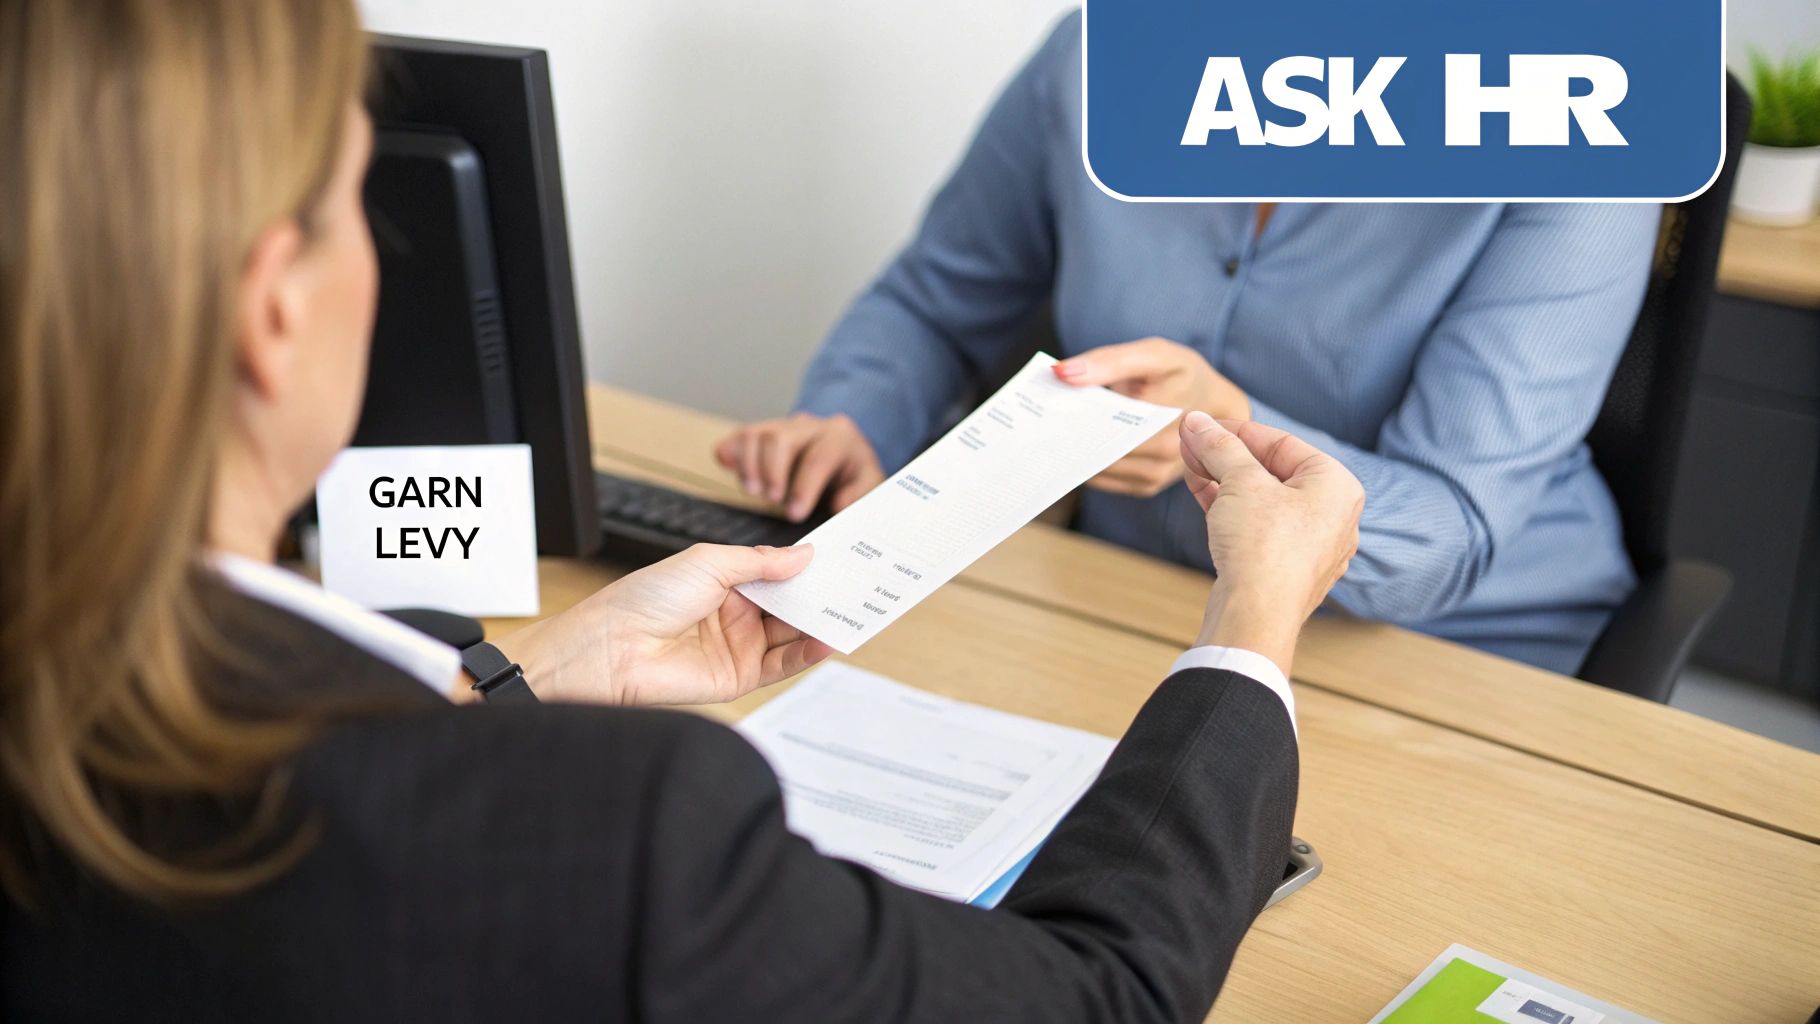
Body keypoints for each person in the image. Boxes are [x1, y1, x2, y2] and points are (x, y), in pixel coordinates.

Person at [0, 2, 1362, 1020]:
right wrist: (1251, 622)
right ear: (274, 307)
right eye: (357, 194)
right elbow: (1100, 997)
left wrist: (529, 685)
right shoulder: (631, 838)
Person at [716, 11, 1661, 675]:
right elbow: (932, 305)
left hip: (1459, 656)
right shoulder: (1102, 51)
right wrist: (852, 416)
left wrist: (1232, 432)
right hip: (1131, 608)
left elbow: (1446, 540)